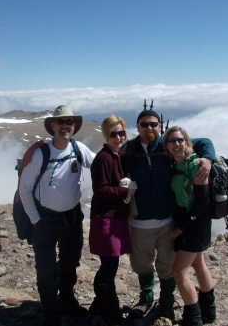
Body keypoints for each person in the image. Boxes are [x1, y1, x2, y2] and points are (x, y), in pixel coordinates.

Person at [122, 108, 215, 322]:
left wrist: (208, 159)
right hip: (139, 222)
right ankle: (146, 298)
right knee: (141, 264)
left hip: (167, 222)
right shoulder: (129, 150)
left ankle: (166, 303)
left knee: (168, 267)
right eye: (144, 124)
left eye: (153, 124)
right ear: (137, 127)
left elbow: (205, 142)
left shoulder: (168, 145)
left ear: (160, 126)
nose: (149, 128)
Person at [19, 105, 96, 326]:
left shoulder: (78, 148)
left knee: (70, 263)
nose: (65, 126)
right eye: (61, 122)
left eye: (69, 122)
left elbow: (100, 163)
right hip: (45, 219)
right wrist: (36, 221)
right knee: (45, 268)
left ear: (74, 126)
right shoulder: (40, 154)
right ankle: (51, 312)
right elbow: (25, 189)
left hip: (72, 217)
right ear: (53, 125)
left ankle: (67, 301)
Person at [163, 126, 215, 326]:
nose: (177, 144)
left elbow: (202, 202)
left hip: (195, 222)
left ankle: (193, 319)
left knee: (179, 271)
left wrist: (180, 229)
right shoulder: (178, 164)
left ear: (186, 142)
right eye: (172, 141)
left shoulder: (195, 165)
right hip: (195, 222)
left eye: (180, 140)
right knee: (198, 263)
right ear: (166, 146)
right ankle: (208, 312)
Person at [88, 115, 135, 325]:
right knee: (109, 266)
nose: (118, 137)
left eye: (121, 133)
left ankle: (97, 308)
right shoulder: (103, 158)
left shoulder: (121, 154)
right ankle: (111, 313)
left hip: (117, 218)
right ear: (106, 135)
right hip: (105, 219)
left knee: (110, 265)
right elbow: (101, 191)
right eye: (113, 134)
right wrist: (125, 190)